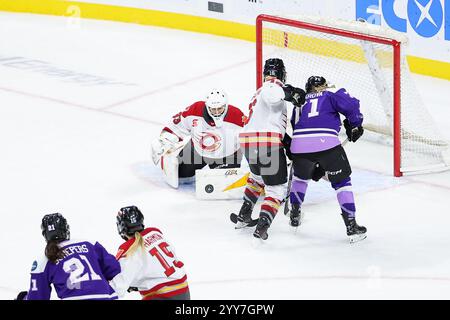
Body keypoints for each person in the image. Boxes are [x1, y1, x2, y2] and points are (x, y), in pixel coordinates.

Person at [289, 75, 367, 243]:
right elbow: (351, 104)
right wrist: (355, 124)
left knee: (300, 178)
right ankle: (351, 225)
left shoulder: (299, 103)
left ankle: (295, 214)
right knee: (342, 182)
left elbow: (295, 126)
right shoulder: (330, 96)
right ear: (321, 87)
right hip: (327, 145)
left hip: (299, 146)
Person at [235, 58, 305, 240]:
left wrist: (286, 140)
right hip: (267, 143)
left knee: (257, 178)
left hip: (249, 143)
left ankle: (244, 213)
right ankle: (262, 226)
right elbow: (274, 95)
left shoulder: (257, 93)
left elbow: (263, 119)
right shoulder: (272, 86)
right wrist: (291, 92)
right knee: (276, 189)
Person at [151, 88, 245, 186]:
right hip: (197, 151)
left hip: (226, 156)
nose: (217, 112)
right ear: (207, 106)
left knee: (223, 186)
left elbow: (249, 139)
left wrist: (256, 166)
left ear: (226, 106)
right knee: (181, 176)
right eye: (213, 109)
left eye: (220, 108)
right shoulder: (195, 110)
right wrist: (165, 141)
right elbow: (176, 126)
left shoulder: (237, 116)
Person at [17, 213, 121, 300]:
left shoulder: (43, 259)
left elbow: (38, 296)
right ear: (66, 228)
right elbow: (114, 269)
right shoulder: (90, 244)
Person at [110, 206, 190, 300]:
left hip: (162, 296)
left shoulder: (128, 250)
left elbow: (117, 287)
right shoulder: (156, 233)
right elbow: (155, 267)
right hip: (184, 293)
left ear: (121, 227)